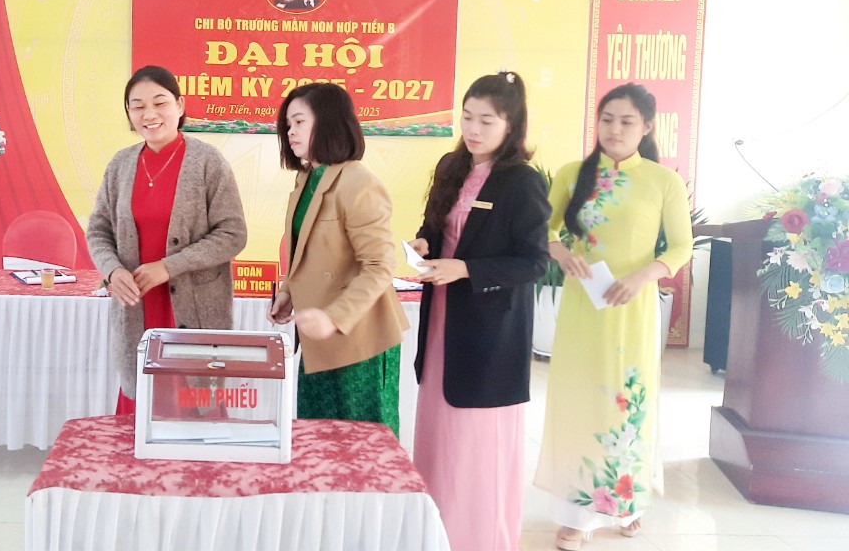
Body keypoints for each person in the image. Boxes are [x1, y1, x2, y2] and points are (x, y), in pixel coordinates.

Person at [533, 83, 692, 551]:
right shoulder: (571, 175)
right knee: (581, 400)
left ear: (646, 127)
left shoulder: (663, 182)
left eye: (626, 122)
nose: (615, 130)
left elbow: (681, 247)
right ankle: (577, 515)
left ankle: (627, 504)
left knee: (627, 402)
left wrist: (644, 276)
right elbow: (543, 228)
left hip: (632, 307)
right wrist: (561, 253)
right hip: (584, 306)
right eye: (607, 120)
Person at [408, 71, 550, 551]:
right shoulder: (451, 166)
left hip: (490, 330)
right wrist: (423, 244)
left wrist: (466, 269)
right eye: (467, 117)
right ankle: (434, 536)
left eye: (486, 121)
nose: (473, 129)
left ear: (512, 125)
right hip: (442, 323)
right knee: (439, 436)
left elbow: (534, 262)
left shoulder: (522, 182)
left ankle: (478, 539)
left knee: (475, 446)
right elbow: (435, 226)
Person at [86, 65, 247, 414]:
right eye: (138, 106)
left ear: (180, 105)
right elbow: (98, 230)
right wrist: (113, 271)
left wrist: (169, 267)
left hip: (193, 308)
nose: (149, 114)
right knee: (141, 409)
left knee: (197, 411)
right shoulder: (120, 165)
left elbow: (233, 234)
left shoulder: (208, 162)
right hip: (137, 306)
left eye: (160, 103)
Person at [268, 82, 408, 435]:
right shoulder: (306, 178)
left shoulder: (358, 183)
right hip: (317, 337)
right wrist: (287, 292)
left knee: (362, 442)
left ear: (328, 122)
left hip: (359, 339)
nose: (291, 131)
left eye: (300, 122)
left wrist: (333, 317)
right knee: (319, 438)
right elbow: (307, 250)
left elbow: (379, 266)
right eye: (288, 124)